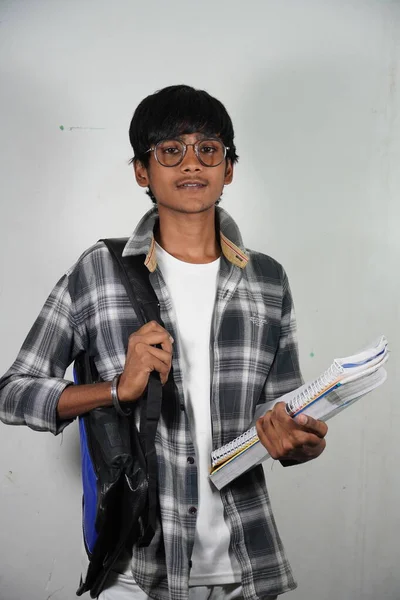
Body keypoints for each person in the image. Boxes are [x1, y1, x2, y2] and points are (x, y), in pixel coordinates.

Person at [0, 85, 328, 600]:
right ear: (141, 172)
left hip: (243, 563)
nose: (191, 163)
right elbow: (12, 391)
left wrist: (300, 440)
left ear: (229, 168)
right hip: (137, 566)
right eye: (170, 150)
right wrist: (115, 390)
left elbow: (281, 415)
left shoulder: (267, 280)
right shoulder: (99, 271)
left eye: (208, 149)